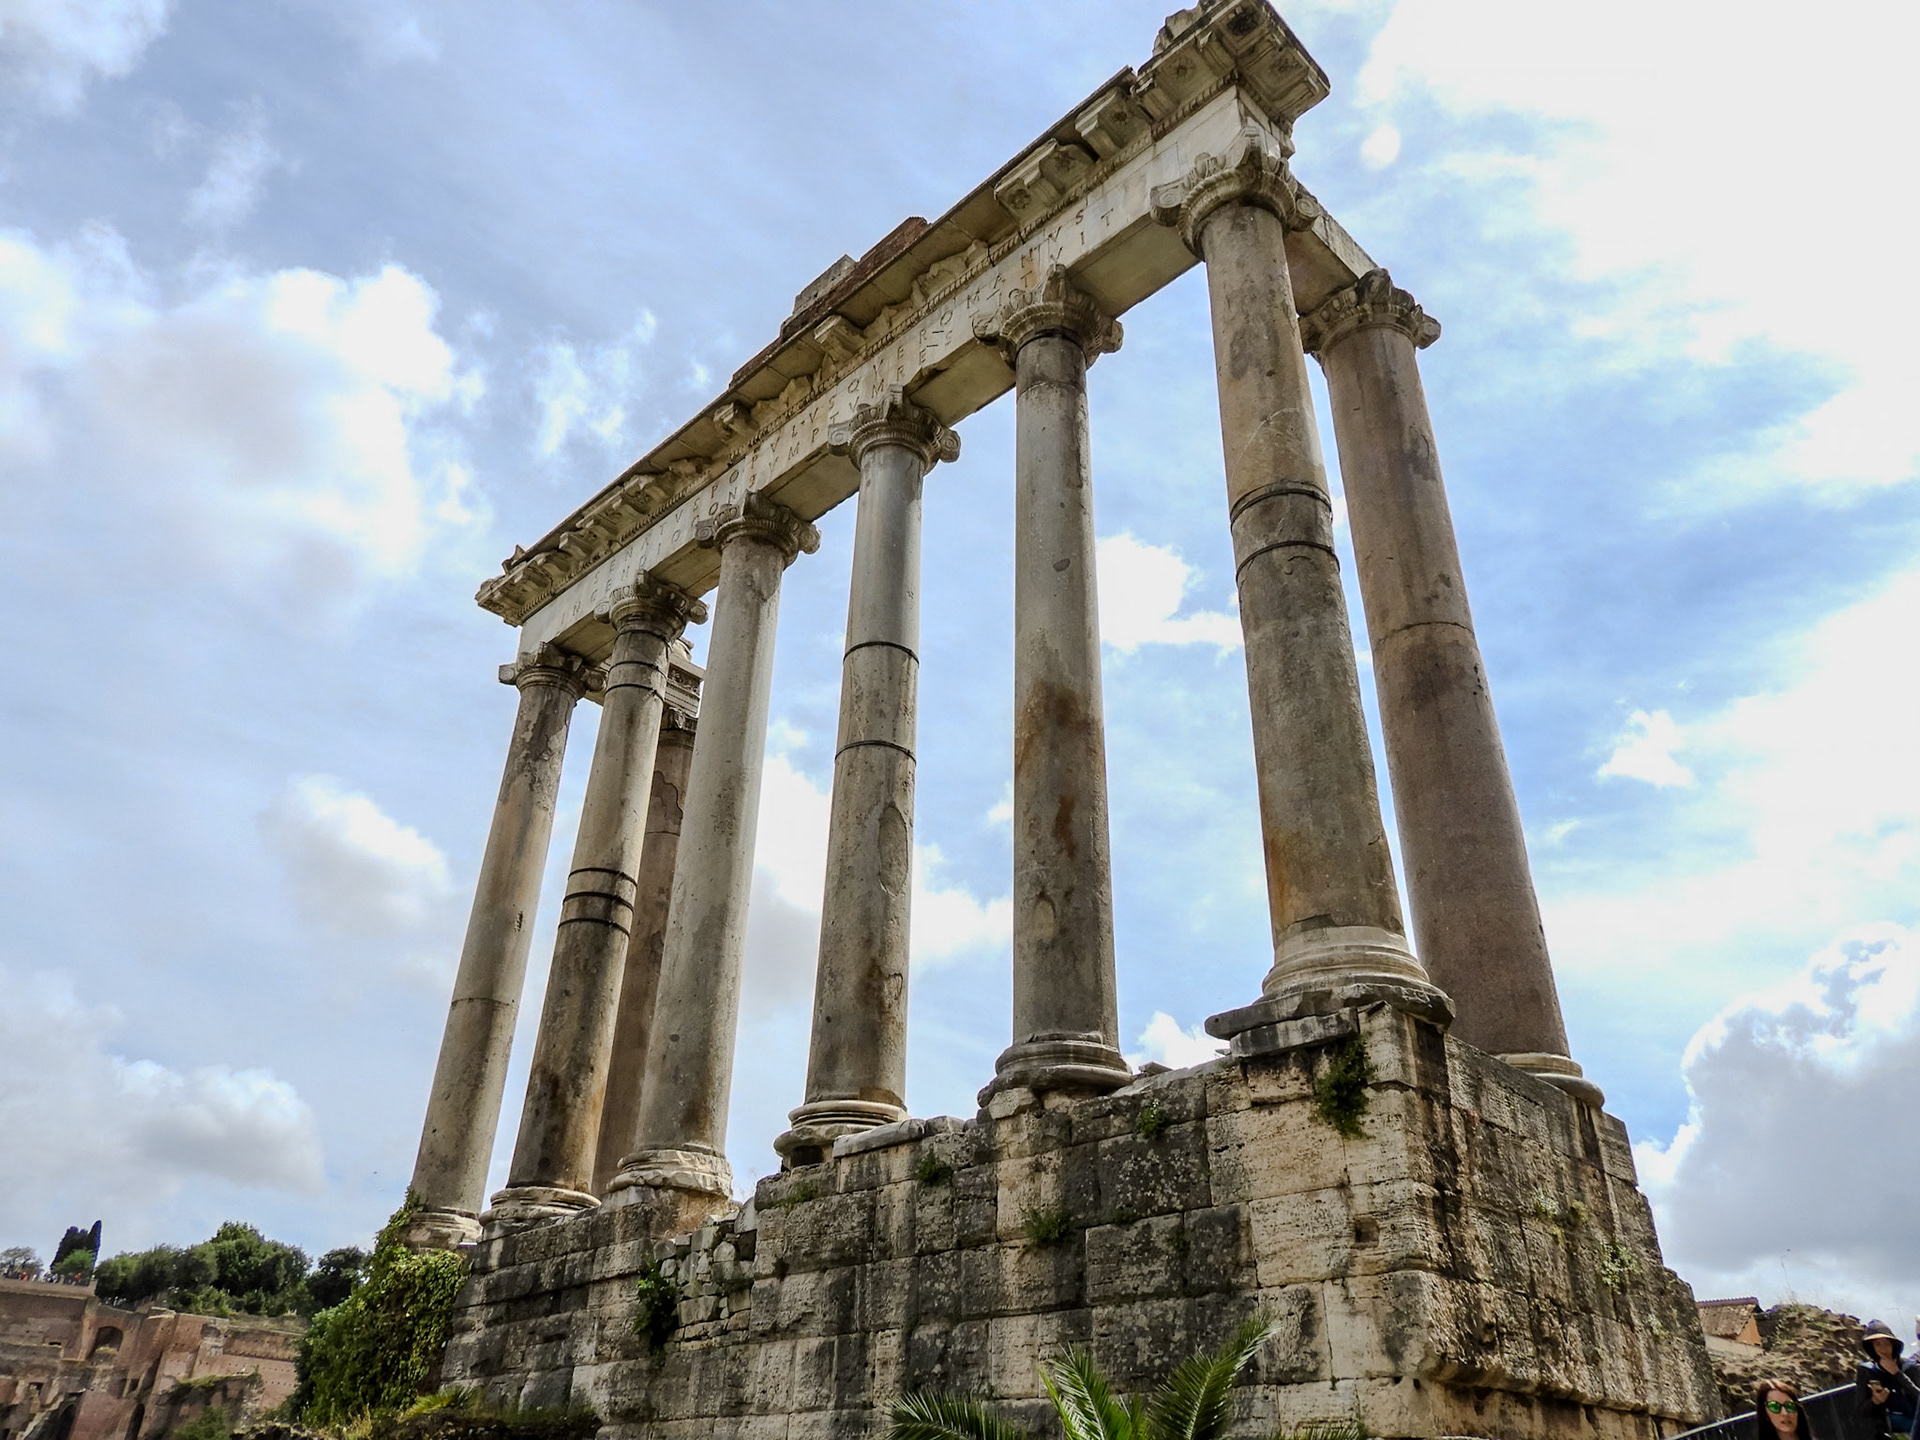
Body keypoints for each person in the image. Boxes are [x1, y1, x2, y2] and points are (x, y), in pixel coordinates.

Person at [1857, 1322, 1920, 1438]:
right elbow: (1861, 1410)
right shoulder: (1868, 1371)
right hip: (1886, 1428)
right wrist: (1875, 1401)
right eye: (1878, 1345)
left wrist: (1897, 1374)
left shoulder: (1911, 1367)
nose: (1883, 1349)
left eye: (1886, 1344)